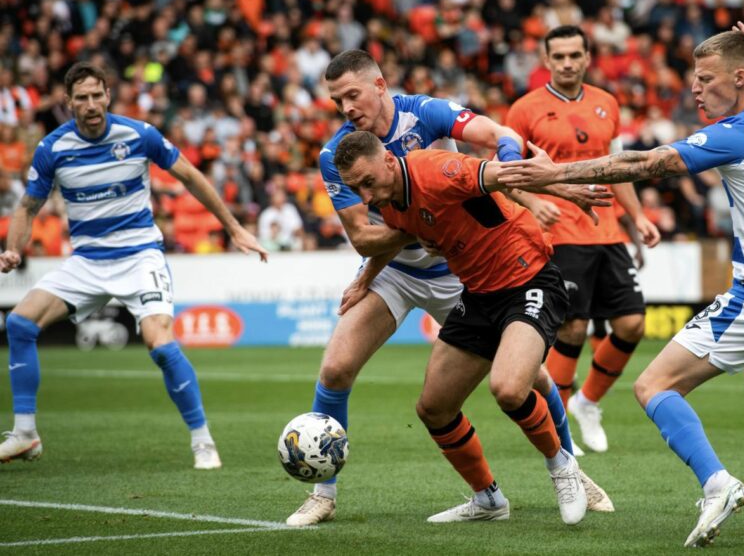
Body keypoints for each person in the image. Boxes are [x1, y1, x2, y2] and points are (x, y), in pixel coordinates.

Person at [499, 23, 744, 547]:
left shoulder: (736, 133)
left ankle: (718, 484)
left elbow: (640, 162)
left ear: (740, 78)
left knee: (653, 386)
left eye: (706, 79)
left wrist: (548, 176)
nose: (695, 89)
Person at [287, 49, 613, 527]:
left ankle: (569, 467)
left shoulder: (425, 114)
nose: (346, 108)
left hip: (465, 269)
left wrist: (539, 181)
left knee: (528, 379)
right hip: (396, 267)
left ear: (379, 85)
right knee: (336, 369)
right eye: (337, 101)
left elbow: (497, 140)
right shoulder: (342, 155)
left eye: (352, 95)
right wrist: (415, 234)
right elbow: (363, 235)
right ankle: (324, 492)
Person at [0, 62, 268, 469]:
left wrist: (233, 228)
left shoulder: (139, 135)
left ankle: (202, 440)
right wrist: (13, 248)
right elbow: (27, 207)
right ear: (67, 102)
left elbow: (191, 177)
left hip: (139, 255)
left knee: (159, 344)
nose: (91, 104)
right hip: (87, 261)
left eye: (96, 95)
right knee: (20, 323)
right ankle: (25, 434)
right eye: (81, 98)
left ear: (107, 94)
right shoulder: (53, 148)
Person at [334, 131, 587, 524]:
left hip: (529, 280)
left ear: (388, 160)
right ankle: (488, 501)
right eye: (356, 189)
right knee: (434, 407)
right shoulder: (388, 203)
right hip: (478, 294)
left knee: (508, 388)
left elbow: (499, 174)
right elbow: (401, 239)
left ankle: (561, 465)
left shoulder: (438, 170)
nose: (365, 196)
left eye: (368, 182)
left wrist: (564, 186)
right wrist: (366, 279)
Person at [506, 25, 660, 454]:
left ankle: (588, 402)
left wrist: (638, 217)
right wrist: (533, 205)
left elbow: (619, 170)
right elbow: (501, 173)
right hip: (558, 234)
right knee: (572, 328)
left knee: (632, 324)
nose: (568, 63)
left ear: (588, 57)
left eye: (575, 55)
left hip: (607, 232)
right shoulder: (524, 110)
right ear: (546, 60)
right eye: (560, 56)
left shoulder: (607, 104)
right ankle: (562, 431)